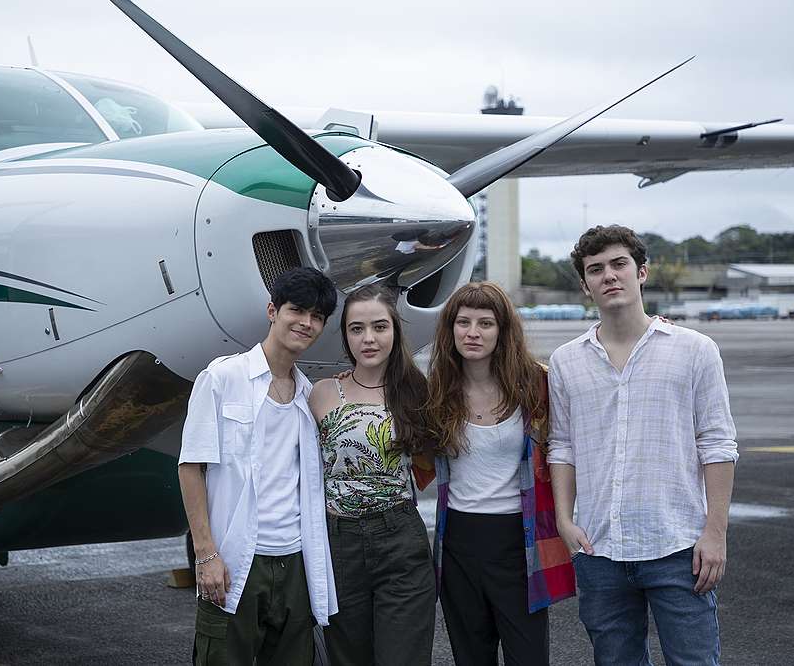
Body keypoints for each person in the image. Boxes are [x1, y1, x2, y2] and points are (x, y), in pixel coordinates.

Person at [548, 225, 738, 666]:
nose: (609, 276)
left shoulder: (695, 350)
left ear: (642, 273)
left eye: (619, 265)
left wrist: (716, 533)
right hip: (599, 550)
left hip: (677, 546)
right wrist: (563, 519)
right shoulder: (566, 361)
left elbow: (718, 444)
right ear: (584, 284)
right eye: (596, 269)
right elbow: (562, 446)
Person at [178, 267, 339, 665]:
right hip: (235, 560)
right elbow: (190, 467)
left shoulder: (308, 395)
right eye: (297, 310)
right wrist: (206, 555)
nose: (306, 323)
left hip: (296, 560)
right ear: (272, 310)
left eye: (317, 317)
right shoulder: (222, 377)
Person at [423, 281, 575, 666]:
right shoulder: (436, 390)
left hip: (517, 540)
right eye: (464, 322)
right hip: (458, 540)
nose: (473, 333)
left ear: (503, 330)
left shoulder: (537, 385)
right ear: (450, 329)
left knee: (528, 656)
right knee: (471, 656)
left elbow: (568, 445)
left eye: (486, 323)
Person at [308, 283, 435, 666]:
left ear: (395, 331)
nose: (369, 338)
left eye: (379, 327)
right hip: (339, 545)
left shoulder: (416, 392)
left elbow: (436, 461)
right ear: (345, 336)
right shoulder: (321, 393)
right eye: (356, 328)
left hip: (399, 539)